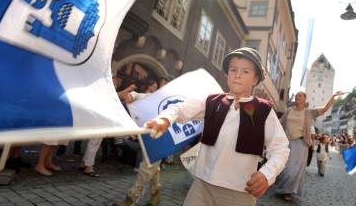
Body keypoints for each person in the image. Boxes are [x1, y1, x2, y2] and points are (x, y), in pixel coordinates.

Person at [140, 48, 290, 206]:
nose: (238, 75)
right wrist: (165, 119)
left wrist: (267, 174)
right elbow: (180, 109)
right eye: (233, 70)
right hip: (202, 185)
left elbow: (281, 149)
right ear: (227, 74)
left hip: (239, 191)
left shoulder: (263, 110)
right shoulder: (212, 101)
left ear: (255, 79)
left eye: (245, 71)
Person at [275, 90, 346, 202]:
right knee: (285, 168)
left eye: (300, 95)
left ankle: (289, 192)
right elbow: (279, 122)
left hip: (300, 144)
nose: (297, 97)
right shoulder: (288, 111)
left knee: (295, 170)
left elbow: (324, 109)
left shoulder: (309, 112)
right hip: (286, 142)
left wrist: (333, 96)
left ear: (304, 98)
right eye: (296, 95)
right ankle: (283, 187)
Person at [115, 74, 175, 206]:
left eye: (165, 83)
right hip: (147, 137)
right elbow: (139, 96)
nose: (161, 86)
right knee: (153, 168)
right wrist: (131, 96)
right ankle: (155, 194)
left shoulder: (174, 103)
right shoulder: (152, 97)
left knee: (146, 166)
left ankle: (129, 199)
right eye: (161, 83)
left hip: (160, 139)